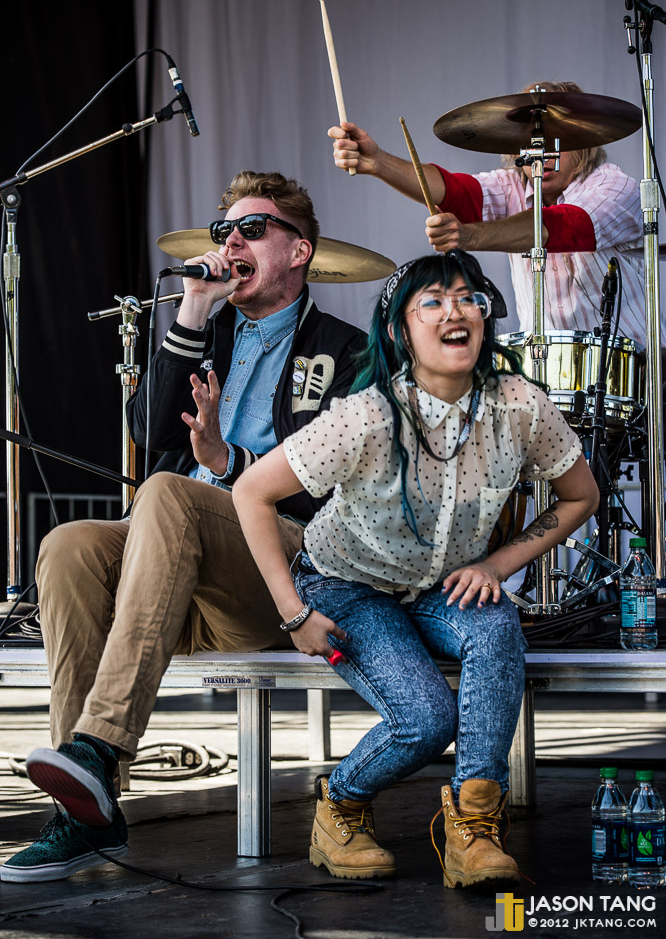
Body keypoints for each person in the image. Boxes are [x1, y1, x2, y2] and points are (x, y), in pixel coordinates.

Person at [0, 171, 366, 884]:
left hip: (277, 563)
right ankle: (85, 810)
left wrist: (230, 463)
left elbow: (335, 487)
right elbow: (148, 431)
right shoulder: (206, 330)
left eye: (253, 230)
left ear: (300, 251)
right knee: (69, 545)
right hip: (173, 561)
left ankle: (99, 748)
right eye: (224, 231)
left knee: (168, 493)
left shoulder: (347, 350)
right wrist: (194, 309)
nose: (232, 242)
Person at [232, 249, 599, 887]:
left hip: (440, 585)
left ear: (484, 317)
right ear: (401, 331)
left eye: (468, 298)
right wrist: (294, 612)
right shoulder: (366, 415)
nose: (455, 311)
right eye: (432, 301)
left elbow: (580, 496)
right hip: (346, 585)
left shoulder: (519, 406)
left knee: (495, 625)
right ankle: (340, 805)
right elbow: (250, 492)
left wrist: (497, 564)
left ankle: (474, 830)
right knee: (427, 720)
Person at [328, 80, 666, 351]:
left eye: (558, 141)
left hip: (632, 372)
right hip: (546, 371)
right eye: (533, 142)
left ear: (586, 143)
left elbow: (564, 225)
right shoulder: (513, 184)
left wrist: (470, 236)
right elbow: (455, 192)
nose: (543, 153)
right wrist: (379, 163)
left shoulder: (615, 186)